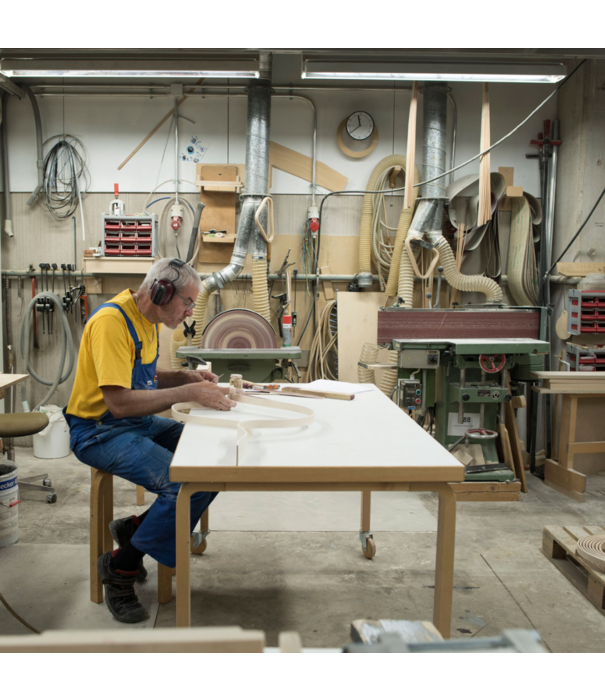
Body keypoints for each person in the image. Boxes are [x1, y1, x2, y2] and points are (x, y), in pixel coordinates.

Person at [65, 258, 237, 623]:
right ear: (161, 291)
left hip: (133, 422)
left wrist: (182, 376)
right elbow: (120, 401)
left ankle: (136, 528)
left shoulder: (147, 320)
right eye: (188, 302)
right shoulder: (112, 323)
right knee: (183, 483)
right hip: (99, 430)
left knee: (212, 459)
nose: (190, 311)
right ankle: (120, 567)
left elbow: (142, 378)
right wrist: (186, 392)